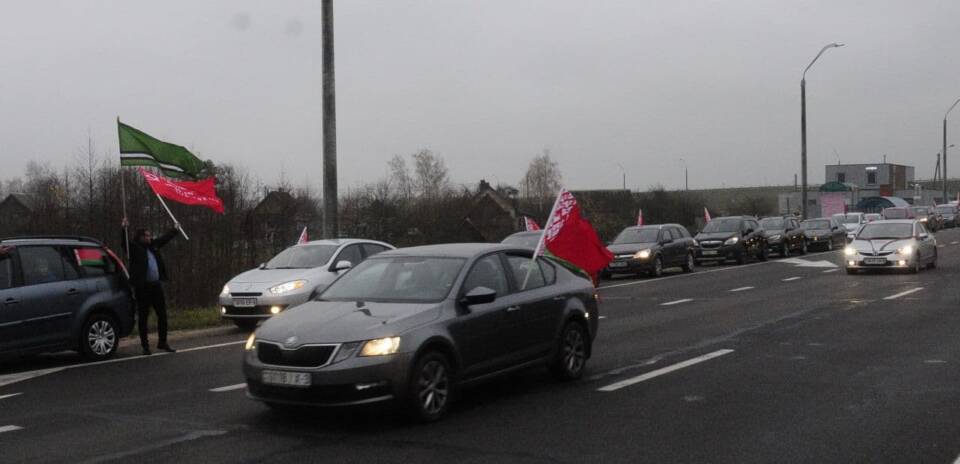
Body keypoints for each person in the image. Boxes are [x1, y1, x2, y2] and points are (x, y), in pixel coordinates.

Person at [122, 218, 181, 355]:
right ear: (141, 237)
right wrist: (124, 228)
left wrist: (175, 230)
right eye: (147, 235)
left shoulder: (153, 246)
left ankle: (162, 342)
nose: (150, 237)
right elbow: (124, 243)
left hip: (156, 286)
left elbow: (163, 239)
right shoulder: (135, 248)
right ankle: (145, 346)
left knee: (162, 315)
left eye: (150, 235)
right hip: (143, 288)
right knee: (143, 317)